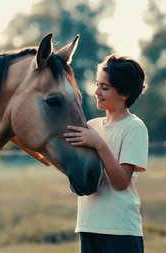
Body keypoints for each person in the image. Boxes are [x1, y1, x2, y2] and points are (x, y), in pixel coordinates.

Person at [64, 54, 149, 253]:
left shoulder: (134, 128)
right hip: (88, 226)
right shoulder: (90, 127)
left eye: (105, 87)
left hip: (121, 230)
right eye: (97, 84)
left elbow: (121, 182)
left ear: (125, 93)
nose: (96, 91)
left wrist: (99, 144)